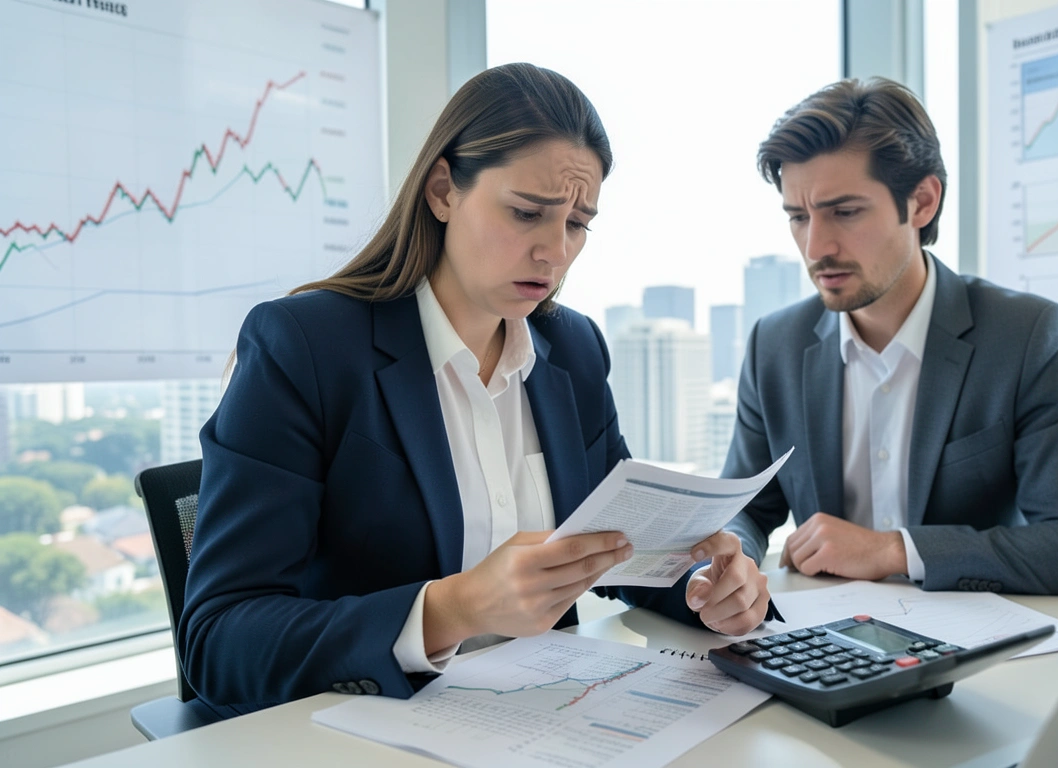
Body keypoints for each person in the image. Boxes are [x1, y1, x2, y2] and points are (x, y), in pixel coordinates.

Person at [180, 63, 769, 716]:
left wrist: (705, 586)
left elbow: (619, 550)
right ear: (442, 191)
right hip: (366, 734)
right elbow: (218, 639)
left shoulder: (572, 350)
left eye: (578, 225)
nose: (554, 252)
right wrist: (451, 609)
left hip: (546, 721)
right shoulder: (306, 347)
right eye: (526, 213)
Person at [721, 77, 1058, 599]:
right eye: (798, 217)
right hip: (824, 644)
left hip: (975, 652)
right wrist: (729, 562)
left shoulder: (1023, 337)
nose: (816, 245)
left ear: (922, 202)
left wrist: (894, 549)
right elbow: (746, 513)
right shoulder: (774, 345)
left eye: (844, 212)